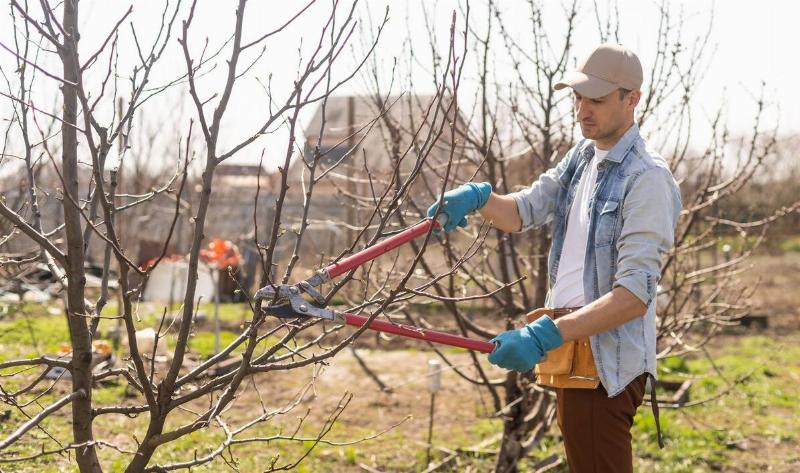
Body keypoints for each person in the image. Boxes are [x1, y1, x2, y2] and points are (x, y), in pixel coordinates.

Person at [427, 44, 682, 472]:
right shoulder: (583, 158)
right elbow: (522, 211)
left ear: (632, 98)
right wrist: (479, 197)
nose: (583, 109)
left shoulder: (647, 179)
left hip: (603, 363)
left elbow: (634, 295)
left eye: (597, 100)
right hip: (573, 356)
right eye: (578, 98)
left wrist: (544, 335)